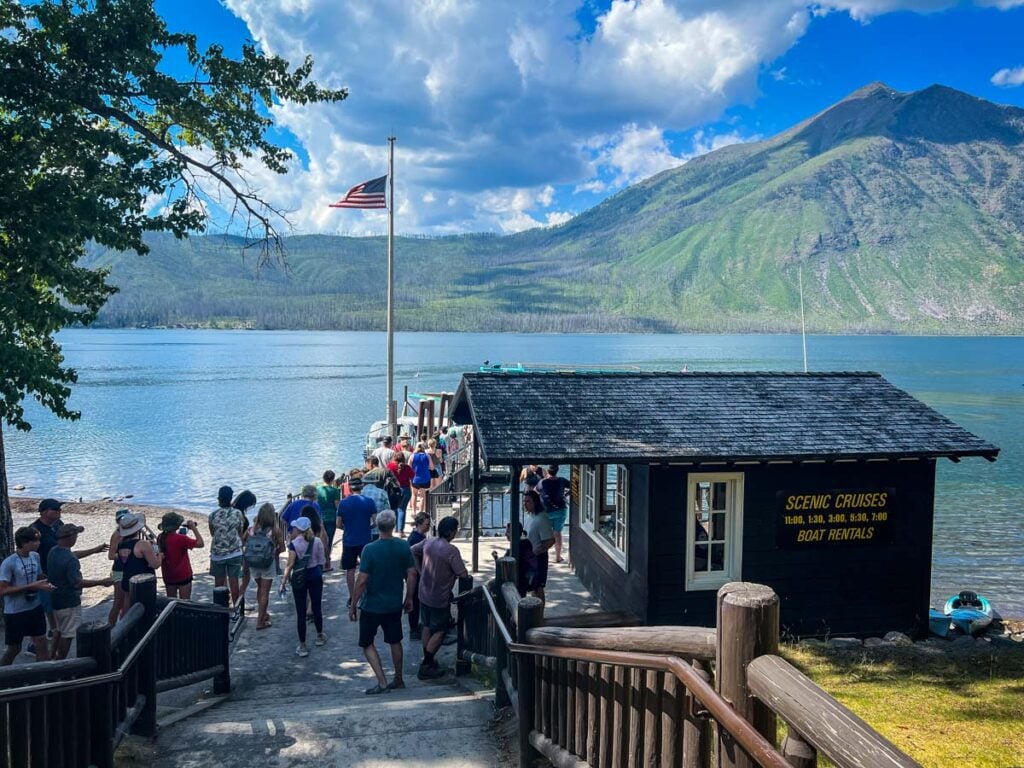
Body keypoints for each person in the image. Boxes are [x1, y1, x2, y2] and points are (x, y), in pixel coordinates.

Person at [348, 510, 417, 695]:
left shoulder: (369, 550)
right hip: (394, 604)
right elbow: (411, 574)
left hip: (371, 605)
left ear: (377, 526)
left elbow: (361, 580)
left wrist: (353, 604)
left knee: (367, 642)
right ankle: (399, 678)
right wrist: (409, 597)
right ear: (393, 526)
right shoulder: (403, 546)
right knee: (395, 641)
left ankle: (382, 681)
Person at [32, 498, 105, 635]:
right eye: (55, 509)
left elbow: (66, 550)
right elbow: (32, 555)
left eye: (60, 508)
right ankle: (48, 639)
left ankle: (53, 638)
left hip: (61, 573)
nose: (59, 511)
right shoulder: (36, 530)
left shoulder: (58, 524)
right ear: (44, 512)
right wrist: (38, 576)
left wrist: (94, 550)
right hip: (46, 576)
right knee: (51, 609)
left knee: (59, 616)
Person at [411, 515, 468, 680]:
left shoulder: (429, 542)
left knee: (427, 626)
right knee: (441, 630)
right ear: (451, 532)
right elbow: (462, 574)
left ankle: (429, 659)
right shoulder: (451, 550)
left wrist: (421, 571)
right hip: (439, 597)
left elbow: (412, 551)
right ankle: (426, 664)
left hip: (424, 593)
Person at [47, 524, 115, 659]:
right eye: (76, 535)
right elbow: (77, 582)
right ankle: (60, 663)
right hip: (69, 601)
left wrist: (94, 550)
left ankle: (52, 659)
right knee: (68, 634)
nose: (77, 537)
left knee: (59, 630)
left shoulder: (53, 551)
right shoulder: (70, 560)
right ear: (71, 537)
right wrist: (101, 582)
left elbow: (73, 554)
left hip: (55, 598)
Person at [0, 527, 54, 665]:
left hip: (34, 606)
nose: (38, 543)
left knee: (41, 642)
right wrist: (32, 587)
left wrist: (48, 583)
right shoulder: (9, 563)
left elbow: (40, 576)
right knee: (14, 648)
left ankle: (41, 676)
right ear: (24, 543)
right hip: (15, 611)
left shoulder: (35, 556)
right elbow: (3, 590)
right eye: (34, 541)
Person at [281, 517, 326, 657]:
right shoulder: (317, 541)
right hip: (315, 575)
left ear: (298, 529)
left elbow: (290, 565)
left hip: (300, 578)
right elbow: (321, 561)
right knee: (317, 607)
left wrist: (283, 582)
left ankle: (302, 645)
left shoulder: (294, 544)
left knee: (300, 612)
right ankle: (319, 636)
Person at [337, 474, 377, 606]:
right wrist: (368, 526)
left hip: (349, 540)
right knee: (366, 568)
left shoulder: (343, 503)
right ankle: (366, 593)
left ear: (350, 488)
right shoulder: (369, 501)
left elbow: (338, 524)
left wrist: (348, 527)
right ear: (362, 487)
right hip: (365, 539)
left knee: (350, 570)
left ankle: (352, 596)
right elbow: (375, 522)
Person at [244, 502, 283, 630]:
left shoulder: (252, 529)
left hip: (253, 563)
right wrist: (274, 552)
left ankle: (263, 613)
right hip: (267, 563)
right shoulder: (275, 530)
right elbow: (282, 548)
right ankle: (260, 621)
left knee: (260, 588)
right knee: (265, 592)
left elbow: (243, 541)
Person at [209, 486, 245, 608]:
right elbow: (240, 532)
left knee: (219, 583)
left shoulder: (213, 515)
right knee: (234, 582)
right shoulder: (238, 513)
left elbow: (213, 533)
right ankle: (236, 609)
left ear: (219, 498)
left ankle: (221, 609)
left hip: (218, 553)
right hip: (235, 552)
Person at [116, 512, 162, 606]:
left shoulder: (121, 543)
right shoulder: (142, 544)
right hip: (142, 583)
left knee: (127, 605)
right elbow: (155, 564)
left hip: (127, 579)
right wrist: (160, 555)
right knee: (144, 609)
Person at [157, 512, 204, 600]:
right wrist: (194, 529)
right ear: (177, 526)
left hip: (168, 576)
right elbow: (200, 543)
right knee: (185, 602)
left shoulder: (160, 537)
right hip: (183, 575)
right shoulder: (181, 539)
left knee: (171, 603)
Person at [523, 490, 554, 603]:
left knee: (538, 587)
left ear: (535, 502)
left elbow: (550, 540)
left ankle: (539, 614)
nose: (525, 504)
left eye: (528, 501)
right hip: (529, 557)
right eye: (524, 501)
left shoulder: (542, 518)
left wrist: (535, 552)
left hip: (539, 558)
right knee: (532, 586)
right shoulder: (531, 516)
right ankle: (534, 611)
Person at [537, 465, 570, 563]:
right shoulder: (562, 480)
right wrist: (565, 495)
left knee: (545, 534)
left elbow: (536, 490)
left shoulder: (543, 482)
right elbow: (575, 485)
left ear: (547, 471)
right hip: (561, 510)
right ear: (557, 471)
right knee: (558, 533)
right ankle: (558, 557)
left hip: (547, 511)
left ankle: (543, 556)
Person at [406, 513, 431, 639]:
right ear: (420, 524)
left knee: (417, 601)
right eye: (427, 524)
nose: (429, 526)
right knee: (415, 601)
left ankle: (416, 627)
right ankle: (414, 629)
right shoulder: (416, 539)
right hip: (415, 575)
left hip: (417, 574)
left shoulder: (417, 536)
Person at [107, 509, 130, 625]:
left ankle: (122, 625)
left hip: (128, 569)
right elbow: (111, 555)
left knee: (127, 601)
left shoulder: (131, 532)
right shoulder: (117, 534)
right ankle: (110, 628)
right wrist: (126, 554)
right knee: (118, 602)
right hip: (119, 570)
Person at [317, 470, 341, 571]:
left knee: (319, 539)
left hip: (319, 518)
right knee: (329, 540)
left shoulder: (317, 489)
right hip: (331, 518)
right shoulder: (335, 491)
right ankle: (327, 563)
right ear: (333, 479)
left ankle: (319, 560)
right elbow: (337, 505)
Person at [387, 453, 414, 537]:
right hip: (405, 489)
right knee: (402, 510)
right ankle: (401, 531)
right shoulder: (407, 467)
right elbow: (412, 476)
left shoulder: (390, 466)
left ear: (394, 458)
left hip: (394, 490)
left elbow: (387, 476)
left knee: (394, 509)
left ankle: (395, 528)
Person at [409, 442, 432, 516]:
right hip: (425, 478)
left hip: (415, 478)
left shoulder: (412, 456)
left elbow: (408, 466)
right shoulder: (427, 456)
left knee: (414, 495)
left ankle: (413, 511)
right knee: (422, 496)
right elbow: (432, 466)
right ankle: (421, 513)